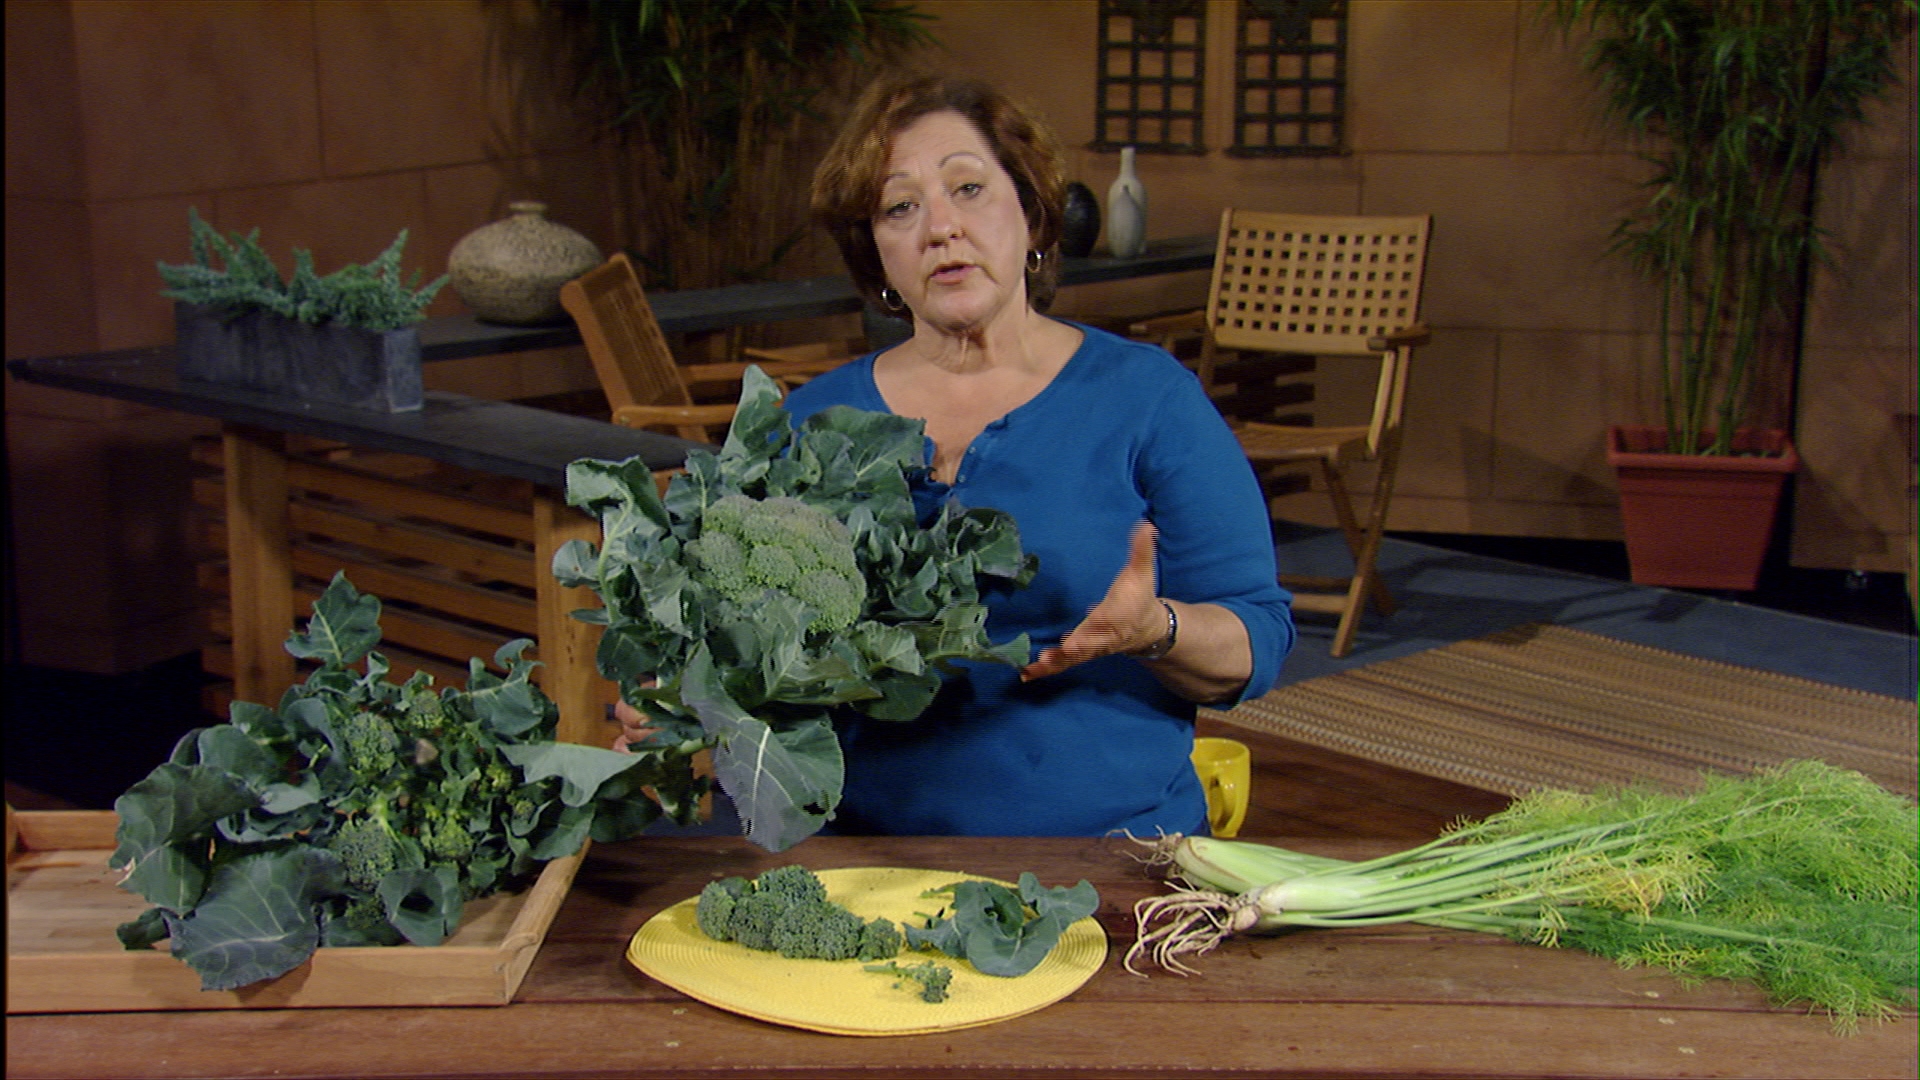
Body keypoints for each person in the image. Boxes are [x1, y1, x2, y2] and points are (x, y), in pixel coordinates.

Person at [622, 75, 1294, 837]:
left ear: (1033, 216)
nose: (940, 226)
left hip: (1109, 860)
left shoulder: (1147, 399)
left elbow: (1256, 639)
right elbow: (741, 651)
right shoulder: (804, 422)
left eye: (968, 188)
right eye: (900, 207)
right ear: (876, 257)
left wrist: (1156, 629)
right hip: (852, 865)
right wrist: (687, 698)